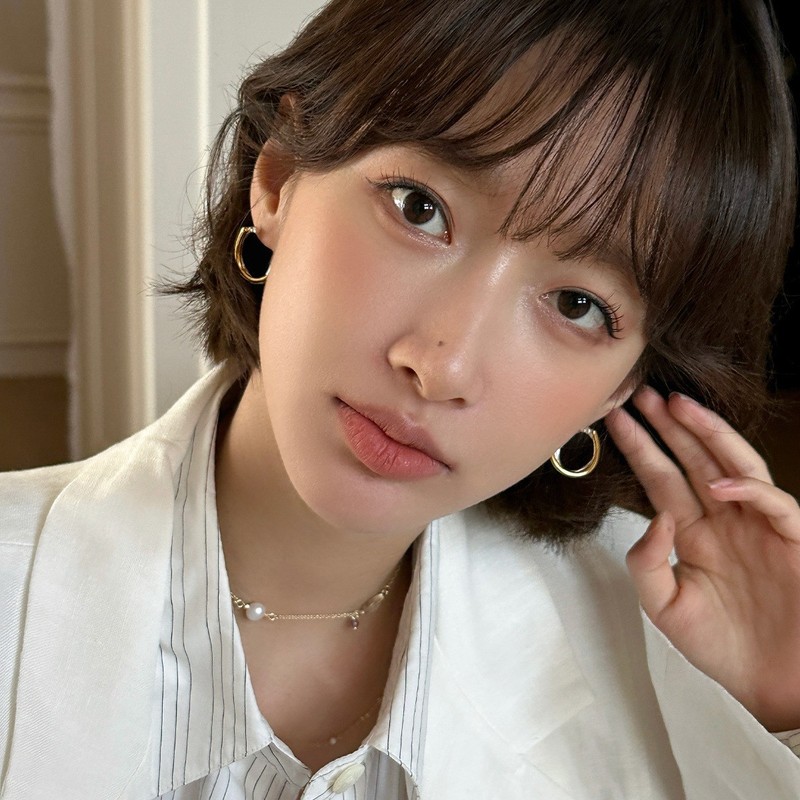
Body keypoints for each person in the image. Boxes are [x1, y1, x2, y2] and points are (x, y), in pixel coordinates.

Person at [1, 0, 799, 797]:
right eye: (421, 209)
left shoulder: (672, 659)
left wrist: (780, 713)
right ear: (278, 178)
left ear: (620, 386)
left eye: (578, 305)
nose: (443, 367)